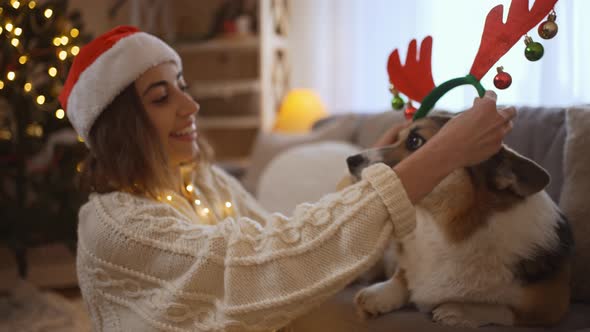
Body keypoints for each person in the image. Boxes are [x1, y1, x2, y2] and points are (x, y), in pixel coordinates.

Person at [60, 26, 516, 331]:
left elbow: (285, 242)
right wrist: (437, 159)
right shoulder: (114, 229)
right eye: (162, 97)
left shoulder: (205, 182)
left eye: (183, 85)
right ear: (122, 129)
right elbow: (260, 268)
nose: (190, 106)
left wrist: (374, 172)